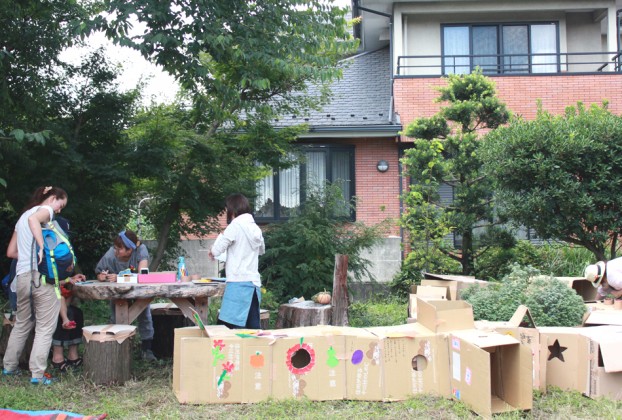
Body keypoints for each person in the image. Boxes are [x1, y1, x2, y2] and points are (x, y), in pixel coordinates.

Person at [3, 186, 69, 384]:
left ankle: (8, 367)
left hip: (21, 277)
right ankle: (37, 375)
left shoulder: (22, 217)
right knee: (45, 327)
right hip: (39, 278)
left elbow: (11, 252)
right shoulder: (45, 212)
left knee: (22, 323)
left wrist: (29, 255)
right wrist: (41, 246)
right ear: (52, 198)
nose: (58, 211)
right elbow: (35, 220)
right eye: (60, 205)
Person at [95, 230, 156, 361]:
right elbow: (99, 274)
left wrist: (120, 277)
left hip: (139, 291)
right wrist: (104, 276)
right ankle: (117, 347)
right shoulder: (111, 254)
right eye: (115, 248)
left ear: (130, 250)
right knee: (115, 314)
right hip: (118, 292)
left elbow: (142, 276)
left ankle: (147, 349)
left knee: (144, 314)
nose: (116, 251)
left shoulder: (141, 250)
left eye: (120, 249)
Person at [208, 193, 265, 329]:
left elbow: (217, 250)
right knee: (253, 330)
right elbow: (261, 250)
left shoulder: (235, 225)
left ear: (232, 210)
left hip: (238, 284)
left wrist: (212, 250)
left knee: (228, 329)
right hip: (254, 285)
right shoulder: (256, 228)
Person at [50, 216, 85, 372]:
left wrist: (71, 280)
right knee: (64, 314)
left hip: (59, 297)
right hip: (43, 297)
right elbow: (51, 281)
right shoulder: (47, 250)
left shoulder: (63, 252)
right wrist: (67, 280)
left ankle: (73, 354)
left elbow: (63, 285)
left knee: (76, 313)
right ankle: (57, 356)